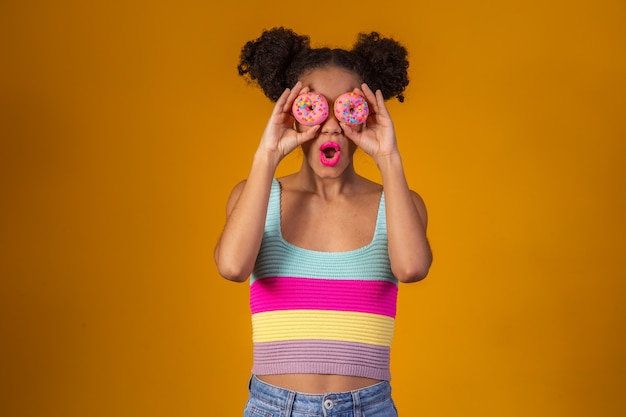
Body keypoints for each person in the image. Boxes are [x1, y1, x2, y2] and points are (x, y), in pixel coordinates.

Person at [214, 27, 432, 417]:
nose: (331, 125)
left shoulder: (398, 204)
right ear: (290, 114)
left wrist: (389, 158)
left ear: (366, 115)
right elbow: (232, 267)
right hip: (273, 407)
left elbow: (412, 267)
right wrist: (267, 154)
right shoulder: (257, 198)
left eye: (346, 109)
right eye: (314, 106)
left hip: (369, 407)